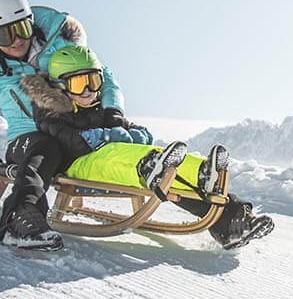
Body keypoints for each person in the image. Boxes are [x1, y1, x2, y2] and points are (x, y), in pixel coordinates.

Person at [18, 44, 275, 250]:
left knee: (166, 161)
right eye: (78, 83)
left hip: (123, 159)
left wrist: (127, 133)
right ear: (60, 87)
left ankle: (227, 211)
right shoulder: (51, 112)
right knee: (119, 156)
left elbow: (142, 133)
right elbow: (76, 142)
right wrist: (111, 137)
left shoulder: (101, 111)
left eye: (94, 82)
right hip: (81, 165)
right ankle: (149, 169)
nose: (88, 91)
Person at [0, 0, 117, 248]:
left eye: (22, 29)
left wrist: (113, 112)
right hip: (29, 142)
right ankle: (20, 219)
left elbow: (105, 77)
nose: (17, 41)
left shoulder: (61, 42)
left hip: (76, 131)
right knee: (46, 146)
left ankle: (190, 193)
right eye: (4, 35)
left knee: (128, 141)